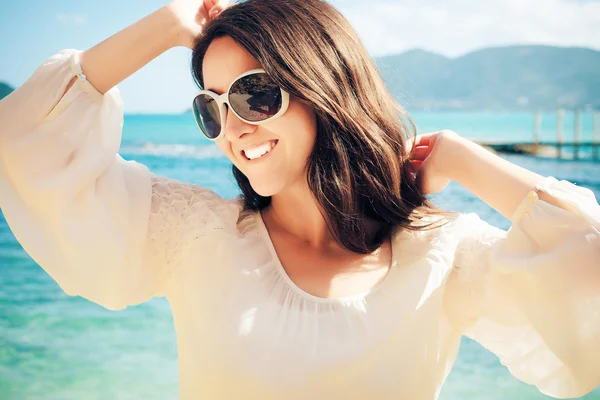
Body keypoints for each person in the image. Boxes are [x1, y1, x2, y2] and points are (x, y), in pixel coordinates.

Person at [0, 0, 598, 398]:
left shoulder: (439, 256)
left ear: (323, 90)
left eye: (255, 96)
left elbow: (588, 273)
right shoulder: (193, 235)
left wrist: (468, 161)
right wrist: (169, 23)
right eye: (211, 106)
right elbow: (26, 146)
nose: (233, 128)